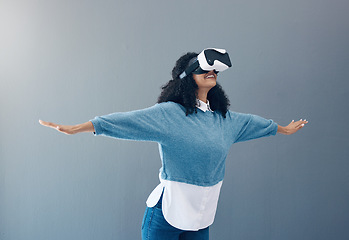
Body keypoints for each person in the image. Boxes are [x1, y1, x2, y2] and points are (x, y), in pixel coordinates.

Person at [39, 49, 308, 240]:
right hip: (165, 218)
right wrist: (81, 127)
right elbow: (127, 121)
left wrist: (282, 129)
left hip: (200, 221)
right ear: (187, 77)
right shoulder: (170, 114)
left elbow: (253, 124)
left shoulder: (223, 120)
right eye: (203, 69)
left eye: (214, 70)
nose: (211, 72)